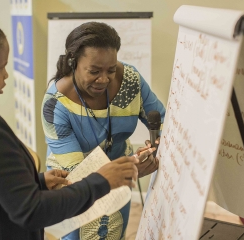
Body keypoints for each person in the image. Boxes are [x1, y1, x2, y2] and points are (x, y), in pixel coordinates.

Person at [0, 4, 152, 240]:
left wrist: (38, 182)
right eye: (2, 67)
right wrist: (102, 180)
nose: (6, 75)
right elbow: (32, 211)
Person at [41, 22, 165, 239]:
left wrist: (158, 144)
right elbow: (78, 178)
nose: (104, 79)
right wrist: (131, 170)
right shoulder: (55, 105)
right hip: (75, 185)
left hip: (121, 174)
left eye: (111, 69)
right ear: (73, 62)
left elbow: (162, 121)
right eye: (94, 71)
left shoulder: (130, 81)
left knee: (114, 233)